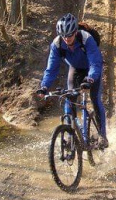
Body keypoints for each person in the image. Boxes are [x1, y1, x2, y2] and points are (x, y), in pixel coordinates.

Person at [38, 13, 108, 148]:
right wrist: (44, 87)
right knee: (69, 99)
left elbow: (95, 63)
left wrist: (90, 78)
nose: (66, 38)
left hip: (91, 70)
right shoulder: (57, 44)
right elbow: (51, 69)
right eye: (63, 35)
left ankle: (102, 135)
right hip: (75, 69)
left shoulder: (86, 38)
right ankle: (70, 136)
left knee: (95, 99)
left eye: (69, 35)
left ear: (75, 32)